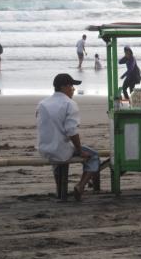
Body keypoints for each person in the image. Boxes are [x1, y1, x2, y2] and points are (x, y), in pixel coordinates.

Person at [36, 73, 100, 201]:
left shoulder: (42, 103)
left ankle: (59, 189)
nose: (73, 89)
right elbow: (71, 131)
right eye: (71, 86)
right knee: (94, 156)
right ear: (64, 87)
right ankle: (80, 186)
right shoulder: (69, 104)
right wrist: (79, 149)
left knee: (58, 152)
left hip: (43, 148)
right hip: (61, 150)